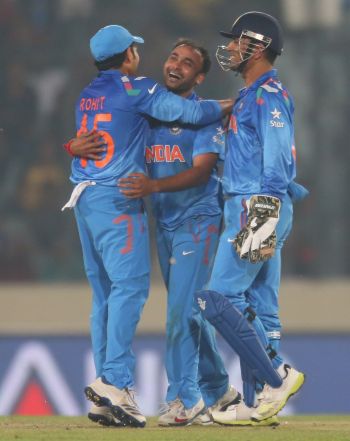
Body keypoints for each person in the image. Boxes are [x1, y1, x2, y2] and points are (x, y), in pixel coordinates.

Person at [61, 24, 232, 429]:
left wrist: (70, 146)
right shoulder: (140, 93)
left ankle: (124, 392)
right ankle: (116, 383)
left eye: (186, 62)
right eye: (172, 57)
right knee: (132, 290)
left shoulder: (89, 95)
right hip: (120, 202)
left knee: (110, 296)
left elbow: (95, 138)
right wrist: (234, 102)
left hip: (91, 200)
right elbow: (192, 111)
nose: (172, 64)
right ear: (129, 57)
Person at [195, 11, 306, 424]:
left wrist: (265, 210)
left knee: (216, 299)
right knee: (258, 304)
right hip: (253, 205)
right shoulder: (251, 94)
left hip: (258, 205)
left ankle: (277, 378)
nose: (230, 48)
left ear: (257, 47)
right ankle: (256, 401)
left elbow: (277, 159)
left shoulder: (267, 96)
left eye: (237, 41)